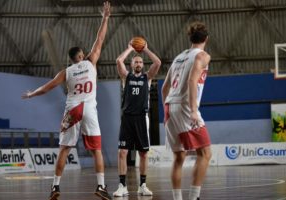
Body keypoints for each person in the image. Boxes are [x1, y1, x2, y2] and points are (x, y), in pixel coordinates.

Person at [21, 2, 112, 200]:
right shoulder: (90, 62)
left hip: (73, 109)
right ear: (81, 55)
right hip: (89, 108)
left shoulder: (66, 72)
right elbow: (100, 38)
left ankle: (55, 187)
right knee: (96, 150)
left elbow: (47, 88)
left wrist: (31, 94)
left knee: (64, 149)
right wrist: (105, 18)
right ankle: (101, 186)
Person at [161, 21, 212, 200]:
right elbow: (192, 81)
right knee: (205, 153)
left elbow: (164, 88)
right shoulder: (203, 56)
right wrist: (193, 110)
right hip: (184, 107)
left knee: (179, 157)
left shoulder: (178, 57)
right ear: (206, 38)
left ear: (190, 38)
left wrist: (166, 113)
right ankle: (194, 197)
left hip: (169, 107)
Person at [113, 41, 161, 197]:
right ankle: (122, 186)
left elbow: (158, 62)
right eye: (136, 61)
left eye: (140, 62)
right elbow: (119, 61)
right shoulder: (125, 76)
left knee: (143, 154)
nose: (139, 63)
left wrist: (145, 49)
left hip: (141, 118)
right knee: (122, 152)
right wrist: (129, 49)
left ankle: (143, 185)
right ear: (132, 64)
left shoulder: (147, 78)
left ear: (143, 64)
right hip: (127, 118)